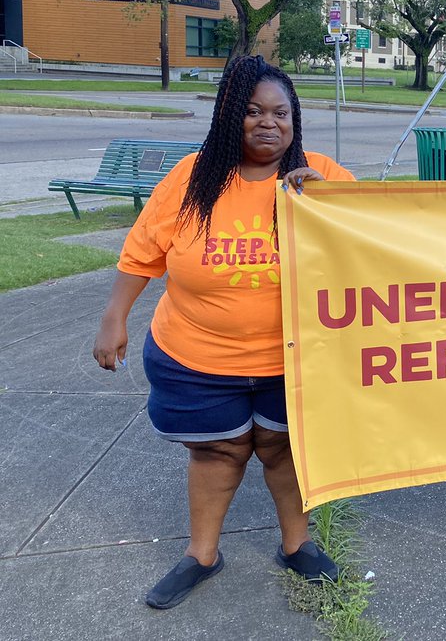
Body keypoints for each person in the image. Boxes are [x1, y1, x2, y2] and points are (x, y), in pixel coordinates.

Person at [93, 55, 356, 609]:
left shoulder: (323, 177)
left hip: (294, 360)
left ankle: (297, 545)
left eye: (281, 113)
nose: (269, 123)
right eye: (253, 111)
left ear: (295, 119)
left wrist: (331, 206)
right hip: (196, 357)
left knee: (283, 450)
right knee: (217, 453)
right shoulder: (191, 178)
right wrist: (114, 317)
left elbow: (373, 249)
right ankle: (202, 555)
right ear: (230, 115)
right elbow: (142, 252)